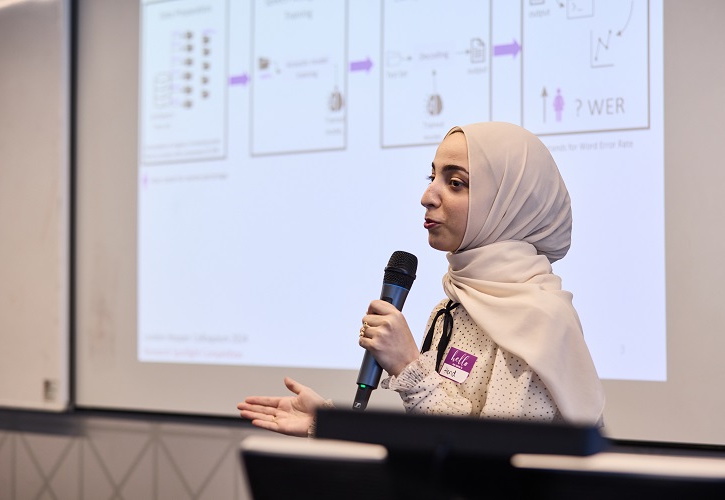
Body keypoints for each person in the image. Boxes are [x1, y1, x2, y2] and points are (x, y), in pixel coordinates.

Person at [237, 122, 605, 437]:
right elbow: (433, 446)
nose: (427, 196)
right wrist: (331, 424)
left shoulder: (540, 323)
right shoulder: (451, 310)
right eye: (432, 177)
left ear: (509, 203)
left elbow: (494, 468)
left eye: (456, 182)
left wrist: (409, 367)